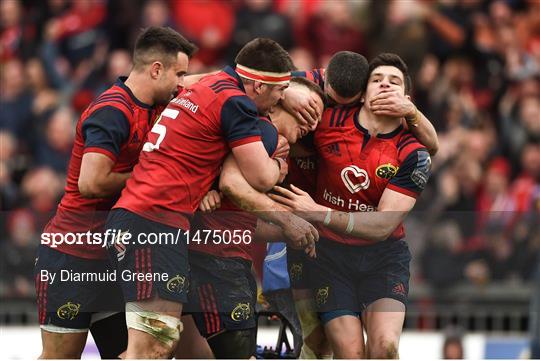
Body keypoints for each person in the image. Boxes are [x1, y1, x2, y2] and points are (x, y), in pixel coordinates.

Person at [105, 38, 317, 359]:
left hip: (147, 222)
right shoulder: (238, 102)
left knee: (161, 346)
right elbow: (259, 177)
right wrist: (279, 163)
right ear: (258, 87)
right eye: (279, 91)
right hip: (152, 225)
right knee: (150, 348)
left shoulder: (207, 83)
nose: (280, 99)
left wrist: (206, 185)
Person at [34, 26, 197, 359]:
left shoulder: (154, 104)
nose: (183, 84)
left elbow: (207, 83)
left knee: (139, 352)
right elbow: (90, 183)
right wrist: (149, 175)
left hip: (114, 257)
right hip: (73, 257)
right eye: (179, 74)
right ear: (156, 70)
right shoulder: (113, 110)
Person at [270, 53, 433, 358]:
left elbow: (384, 225)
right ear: (362, 94)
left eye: (394, 82)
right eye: (377, 79)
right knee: (349, 353)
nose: (385, 85)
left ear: (406, 99)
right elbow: (272, 123)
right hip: (330, 256)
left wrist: (319, 213)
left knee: (384, 347)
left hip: (383, 258)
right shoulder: (326, 120)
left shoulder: (413, 154)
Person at [182, 77, 324, 358]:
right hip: (208, 259)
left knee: (189, 352)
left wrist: (293, 230)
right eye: (310, 109)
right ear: (283, 98)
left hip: (212, 254)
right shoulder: (263, 132)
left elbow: (240, 219)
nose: (313, 121)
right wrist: (288, 220)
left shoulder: (269, 143)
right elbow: (231, 185)